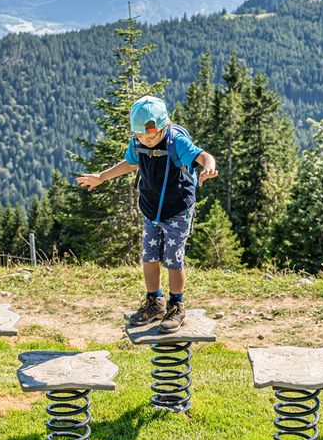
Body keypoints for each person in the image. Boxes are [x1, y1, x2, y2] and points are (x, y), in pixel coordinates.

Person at [76, 95, 217, 332]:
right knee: (149, 257)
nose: (147, 140)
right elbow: (130, 163)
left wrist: (209, 166)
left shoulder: (176, 142)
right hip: (151, 210)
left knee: (173, 258)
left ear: (165, 125)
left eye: (152, 135)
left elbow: (202, 155)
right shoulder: (137, 142)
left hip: (177, 211)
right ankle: (155, 302)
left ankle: (176, 306)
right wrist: (102, 177)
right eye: (141, 136)